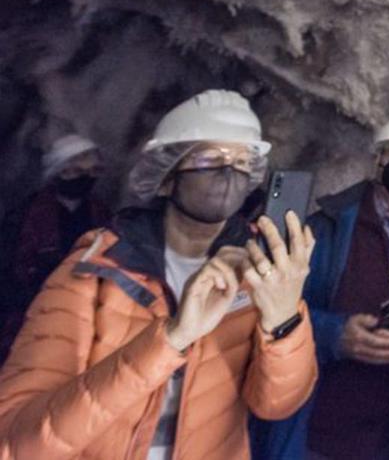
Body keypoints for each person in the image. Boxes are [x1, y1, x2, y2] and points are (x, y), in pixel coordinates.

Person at [0, 89, 318, 459]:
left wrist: (284, 321)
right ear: (166, 176)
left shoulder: (260, 270)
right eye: (209, 158)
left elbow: (276, 405)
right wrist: (170, 340)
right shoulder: (96, 268)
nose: (229, 171)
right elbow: (17, 442)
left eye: (243, 161)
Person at [254, 111, 389, 460]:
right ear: (378, 159)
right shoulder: (326, 226)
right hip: (320, 428)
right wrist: (335, 335)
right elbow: (282, 308)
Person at [0, 134, 110, 364]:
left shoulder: (101, 214)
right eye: (75, 171)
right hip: (27, 313)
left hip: (82, 311)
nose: (84, 177)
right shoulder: (24, 216)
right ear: (58, 172)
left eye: (91, 172)